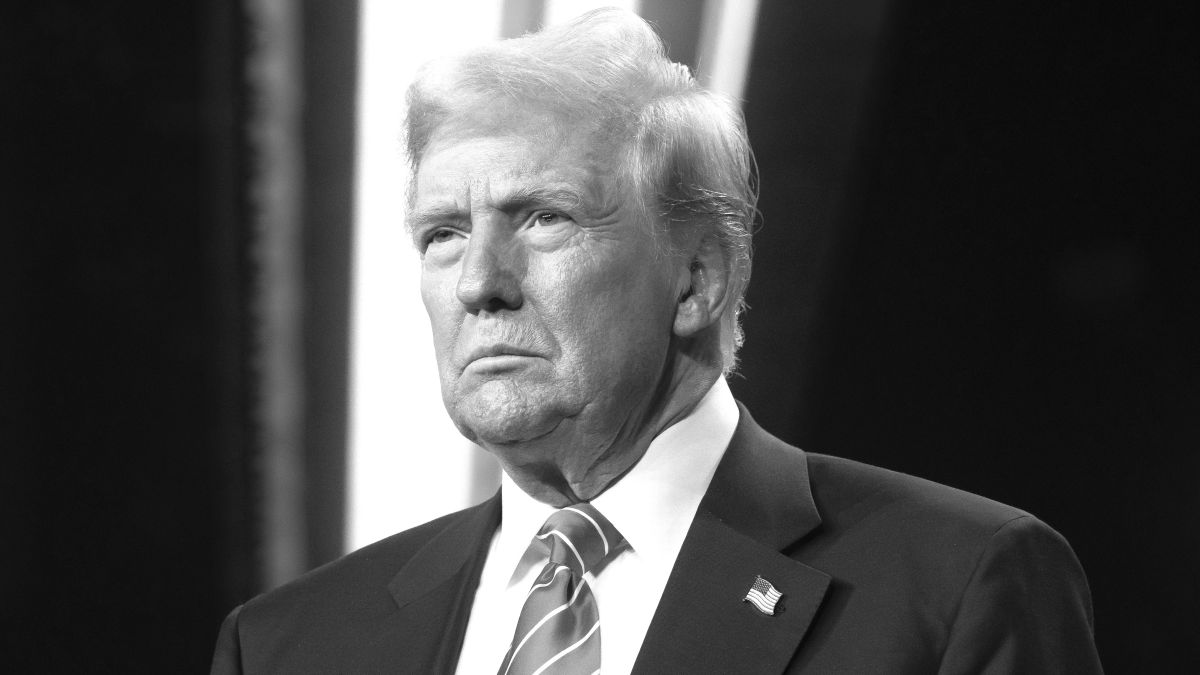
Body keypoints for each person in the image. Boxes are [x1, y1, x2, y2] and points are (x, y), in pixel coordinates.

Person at [211, 9, 1102, 673]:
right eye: (442, 232)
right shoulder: (292, 644)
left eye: (544, 216)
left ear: (697, 280)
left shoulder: (955, 584)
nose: (479, 280)